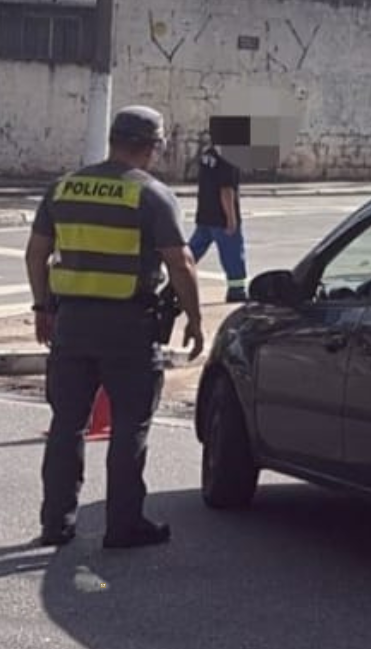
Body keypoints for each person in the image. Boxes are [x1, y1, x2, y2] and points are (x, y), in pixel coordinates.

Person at [25, 105, 205, 550]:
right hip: (128, 327)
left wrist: (43, 307)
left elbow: (35, 254)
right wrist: (196, 319)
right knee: (129, 427)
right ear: (153, 147)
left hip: (71, 325)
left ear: (112, 139)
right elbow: (180, 263)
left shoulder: (64, 188)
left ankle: (56, 523)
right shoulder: (150, 194)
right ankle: (123, 526)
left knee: (67, 425)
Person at [189, 138, 248, 303]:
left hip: (205, 213)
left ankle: (176, 280)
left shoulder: (207, 155)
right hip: (221, 217)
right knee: (233, 253)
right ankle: (237, 290)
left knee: (193, 251)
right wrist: (231, 218)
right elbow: (226, 189)